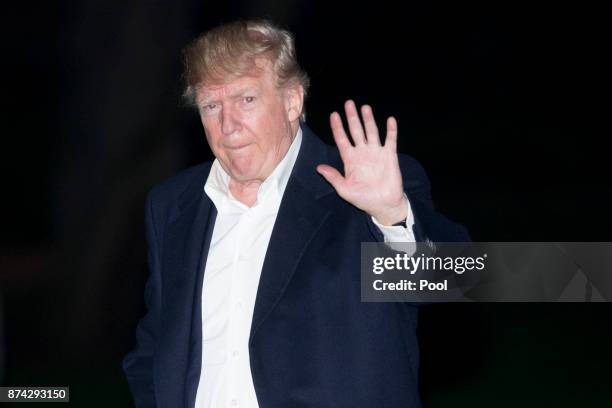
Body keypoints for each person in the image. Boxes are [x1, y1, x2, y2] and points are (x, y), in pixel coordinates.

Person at [123, 19, 469, 408]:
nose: (228, 126)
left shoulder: (360, 190)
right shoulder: (173, 205)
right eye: (211, 105)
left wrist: (391, 215)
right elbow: (155, 345)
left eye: (246, 100)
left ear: (292, 101)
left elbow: (457, 283)